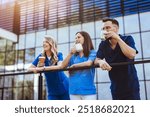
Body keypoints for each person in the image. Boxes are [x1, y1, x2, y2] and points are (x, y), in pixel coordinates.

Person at [95, 18, 140, 100]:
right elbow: (97, 59)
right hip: (115, 87)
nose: (105, 30)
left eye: (108, 28)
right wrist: (101, 62)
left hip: (131, 86)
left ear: (116, 29)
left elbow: (132, 55)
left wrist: (118, 38)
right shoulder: (103, 44)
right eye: (103, 29)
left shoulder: (127, 38)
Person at [28, 35, 70, 100]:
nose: (44, 44)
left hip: (64, 87)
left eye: (46, 42)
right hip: (52, 91)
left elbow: (60, 66)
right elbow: (29, 69)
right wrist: (37, 69)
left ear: (51, 44)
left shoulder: (58, 54)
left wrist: (44, 68)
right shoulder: (41, 56)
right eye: (43, 42)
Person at [61, 31, 97, 100]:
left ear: (85, 39)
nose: (76, 39)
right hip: (73, 91)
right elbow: (63, 66)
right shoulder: (73, 55)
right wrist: (70, 53)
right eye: (75, 38)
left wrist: (74, 66)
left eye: (79, 37)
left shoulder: (92, 52)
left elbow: (88, 63)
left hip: (88, 91)